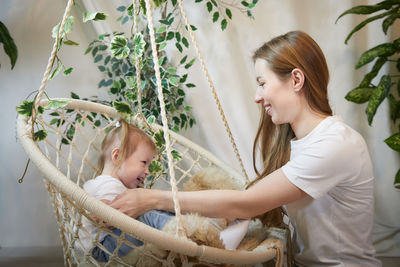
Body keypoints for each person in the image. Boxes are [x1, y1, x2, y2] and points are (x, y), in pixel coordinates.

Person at [110, 31, 381, 266]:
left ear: (296, 80)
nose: (257, 96)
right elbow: (246, 204)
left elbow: (247, 203)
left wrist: (152, 199)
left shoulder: (334, 144)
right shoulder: (304, 143)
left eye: (262, 83)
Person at [78, 120, 174, 262]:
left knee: (150, 206)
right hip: (102, 249)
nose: (147, 172)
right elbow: (101, 219)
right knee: (147, 215)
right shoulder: (109, 186)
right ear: (117, 156)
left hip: (104, 245)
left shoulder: (101, 183)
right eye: (144, 163)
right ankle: (180, 232)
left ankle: (176, 224)